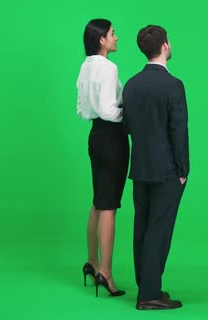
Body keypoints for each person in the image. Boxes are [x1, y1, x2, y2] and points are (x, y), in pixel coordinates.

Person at [122, 25, 190, 310]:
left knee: (143, 225)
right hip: (166, 169)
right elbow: (178, 130)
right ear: (164, 46)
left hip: (139, 166)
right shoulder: (173, 85)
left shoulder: (132, 84)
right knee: (158, 229)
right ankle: (149, 295)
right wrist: (183, 168)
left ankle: (148, 285)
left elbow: (126, 125)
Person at [76, 18, 128, 297]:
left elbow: (82, 109)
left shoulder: (85, 67)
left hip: (95, 136)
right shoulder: (108, 67)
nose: (116, 38)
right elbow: (110, 110)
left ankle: (92, 262)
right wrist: (128, 117)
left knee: (98, 201)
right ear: (101, 40)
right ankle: (105, 273)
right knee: (109, 205)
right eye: (112, 33)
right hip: (111, 137)